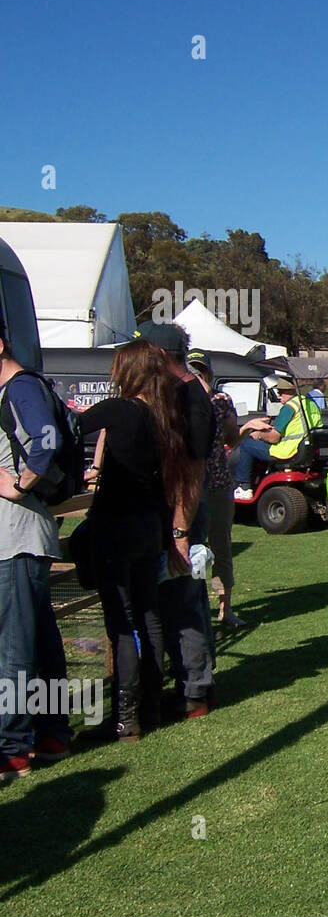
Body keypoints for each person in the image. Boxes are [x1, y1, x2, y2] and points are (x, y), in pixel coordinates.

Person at [74, 340, 193, 740]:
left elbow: (69, 428)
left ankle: (126, 716)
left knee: (121, 622)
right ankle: (151, 707)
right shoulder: (164, 418)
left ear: (128, 372)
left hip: (116, 525)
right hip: (149, 526)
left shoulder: (120, 409)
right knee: (149, 615)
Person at [0, 329, 75, 777]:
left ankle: (11, 746)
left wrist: (18, 485)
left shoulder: (20, 387)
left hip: (16, 538)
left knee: (13, 646)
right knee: (40, 640)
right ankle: (51, 734)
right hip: (22, 537)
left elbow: (46, 443)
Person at [137, 322, 218, 720]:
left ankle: (194, 693)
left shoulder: (192, 401)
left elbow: (193, 474)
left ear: (162, 355)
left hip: (181, 515)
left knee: (182, 601)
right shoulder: (179, 395)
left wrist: (180, 532)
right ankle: (192, 686)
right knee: (181, 601)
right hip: (173, 515)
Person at [186, 350, 245, 629]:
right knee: (191, 547)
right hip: (192, 486)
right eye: (194, 371)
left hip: (218, 483)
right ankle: (194, 606)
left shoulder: (220, 400)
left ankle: (226, 608)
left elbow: (232, 438)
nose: (199, 377)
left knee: (221, 546)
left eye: (202, 371)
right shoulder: (180, 400)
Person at [232, 376, 323, 498]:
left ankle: (244, 487)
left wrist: (258, 434)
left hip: (287, 450)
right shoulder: (309, 403)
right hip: (304, 448)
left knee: (246, 445)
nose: (279, 394)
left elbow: (274, 438)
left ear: (290, 391)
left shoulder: (289, 407)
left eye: (281, 391)